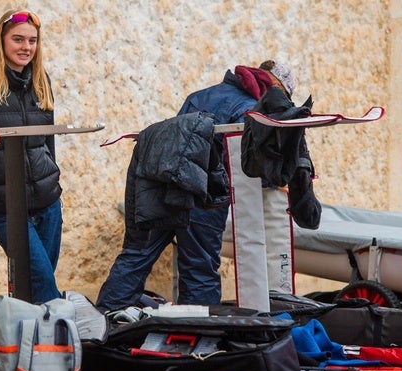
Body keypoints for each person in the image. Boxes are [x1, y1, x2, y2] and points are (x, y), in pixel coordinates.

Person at [96, 61, 280, 312]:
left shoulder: (200, 95)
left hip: (161, 185)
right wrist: (275, 181)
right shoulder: (250, 109)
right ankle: (196, 335)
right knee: (199, 267)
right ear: (276, 87)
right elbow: (244, 162)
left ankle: (103, 320)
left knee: (137, 255)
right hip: (202, 193)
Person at [0, 10, 63, 304]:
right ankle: (62, 341)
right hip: (5, 205)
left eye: (32, 41)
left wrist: (54, 185)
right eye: (17, 39)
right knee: (43, 286)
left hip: (48, 203)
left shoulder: (41, 81)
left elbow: (48, 141)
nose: (26, 47)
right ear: (0, 40)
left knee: (36, 287)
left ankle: (24, 344)